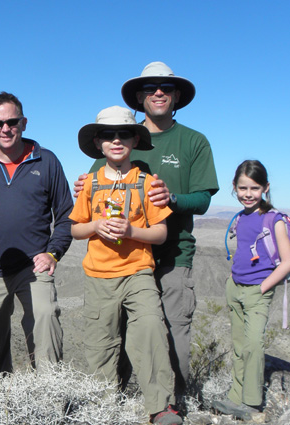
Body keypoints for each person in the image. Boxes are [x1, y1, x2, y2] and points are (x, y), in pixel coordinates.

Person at [78, 62, 218, 400]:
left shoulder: (193, 141)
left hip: (172, 254)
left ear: (177, 96)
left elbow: (202, 199)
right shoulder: (120, 135)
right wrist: (84, 187)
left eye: (166, 88)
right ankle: (117, 402)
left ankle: (176, 402)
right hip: (122, 259)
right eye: (151, 88)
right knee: (120, 333)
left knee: (171, 332)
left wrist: (173, 198)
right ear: (139, 97)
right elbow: (95, 188)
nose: (159, 93)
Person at [70, 106, 180, 425]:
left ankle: (160, 405)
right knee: (100, 343)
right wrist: (95, 226)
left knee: (149, 327)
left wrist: (131, 232)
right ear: (98, 142)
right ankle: (101, 409)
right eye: (108, 135)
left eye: (122, 134)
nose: (115, 140)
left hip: (138, 271)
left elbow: (160, 233)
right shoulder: (89, 184)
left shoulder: (147, 183)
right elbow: (75, 229)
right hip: (98, 275)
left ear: (134, 139)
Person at [0, 92, 73, 375]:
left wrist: (53, 252)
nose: (5, 129)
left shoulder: (46, 161)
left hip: (32, 267)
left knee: (45, 321)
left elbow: (65, 216)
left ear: (24, 122)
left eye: (12, 121)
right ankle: (3, 404)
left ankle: (50, 397)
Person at [218, 160, 290, 415]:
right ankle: (235, 397)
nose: (248, 194)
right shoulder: (241, 217)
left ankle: (251, 402)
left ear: (266, 188)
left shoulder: (274, 220)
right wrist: (231, 280)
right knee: (239, 346)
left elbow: (287, 263)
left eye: (254, 188)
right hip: (235, 287)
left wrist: (262, 288)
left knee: (253, 346)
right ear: (234, 188)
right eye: (242, 188)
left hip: (256, 291)